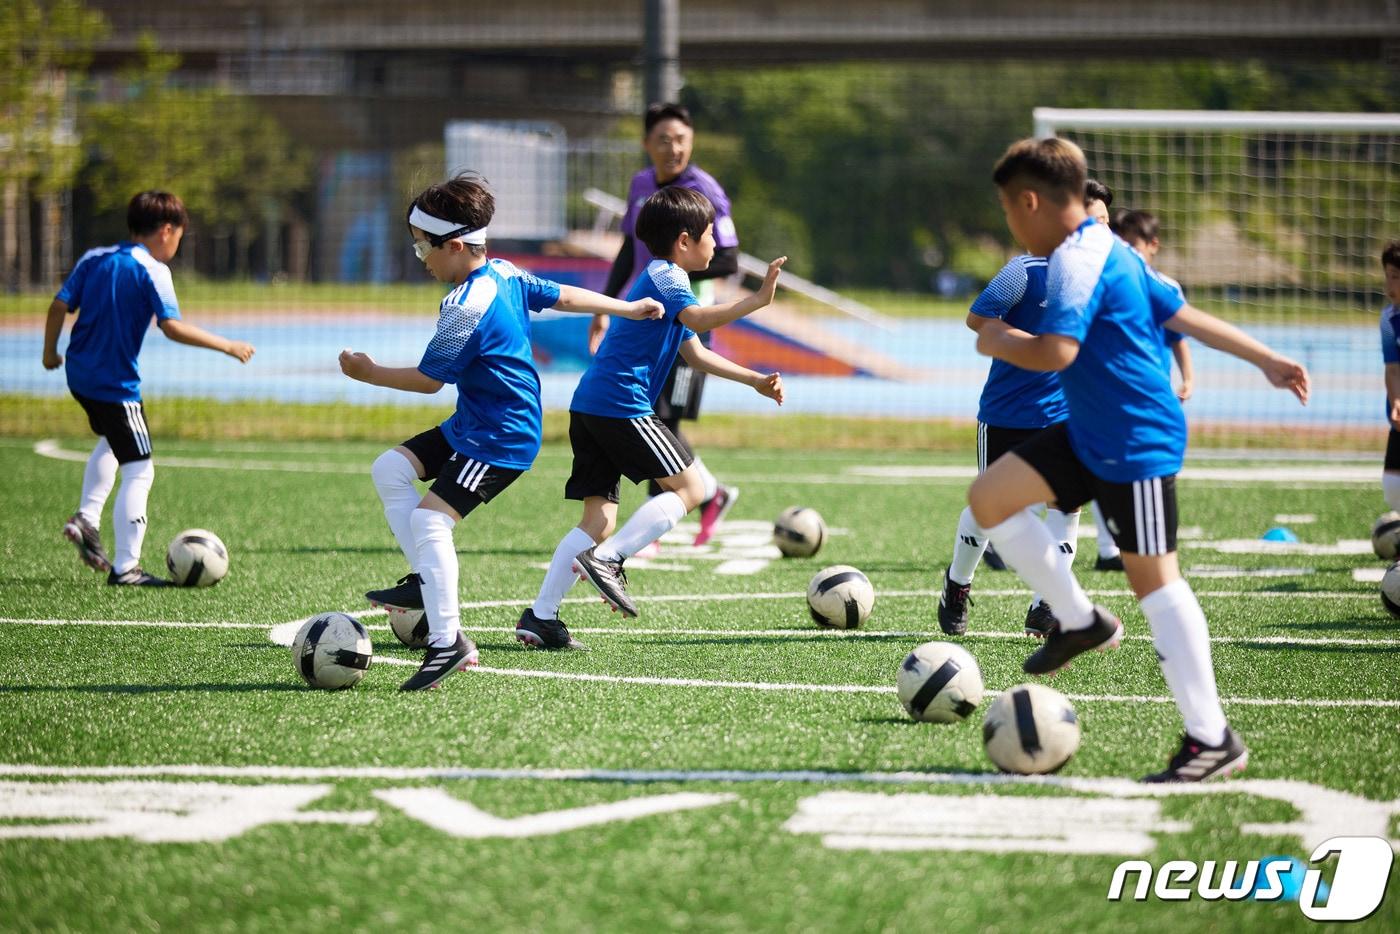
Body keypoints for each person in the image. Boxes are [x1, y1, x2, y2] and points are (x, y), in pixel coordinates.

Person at [967, 137, 1309, 782]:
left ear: (1031, 202)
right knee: (989, 498)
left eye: (1009, 212)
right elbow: (1183, 315)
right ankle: (1078, 618)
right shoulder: (1106, 245)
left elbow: (1057, 352)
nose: (1010, 226)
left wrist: (997, 337)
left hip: (1133, 440)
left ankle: (1212, 740)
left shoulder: (1076, 263)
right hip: (1088, 431)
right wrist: (1265, 357)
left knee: (1157, 586)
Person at [339, 173, 664, 691]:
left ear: (453, 244)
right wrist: (625, 306)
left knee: (430, 523)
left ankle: (448, 643)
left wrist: (368, 372)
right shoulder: (505, 274)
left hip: (499, 435)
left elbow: (428, 381)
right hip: (475, 422)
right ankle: (426, 583)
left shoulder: (465, 305)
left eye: (422, 245)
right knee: (391, 467)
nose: (420, 256)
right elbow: (564, 297)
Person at [518, 186, 785, 650]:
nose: (716, 246)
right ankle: (611, 560)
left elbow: (696, 353)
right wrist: (757, 300)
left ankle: (541, 617)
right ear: (684, 240)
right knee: (692, 488)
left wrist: (754, 380)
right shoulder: (667, 275)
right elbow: (700, 320)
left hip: (591, 406)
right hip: (621, 406)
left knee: (596, 522)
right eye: (709, 236)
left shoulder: (664, 279)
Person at [43, 191, 255, 586]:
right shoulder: (153, 269)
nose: (177, 244)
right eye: (180, 236)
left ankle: (87, 517)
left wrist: (48, 352)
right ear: (168, 230)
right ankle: (127, 568)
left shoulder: (95, 258)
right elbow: (171, 326)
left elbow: (58, 306)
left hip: (79, 375)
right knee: (140, 470)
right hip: (115, 384)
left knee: (112, 440)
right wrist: (227, 345)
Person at [593, 102, 743, 548]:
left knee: (662, 419)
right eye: (662, 139)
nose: (672, 147)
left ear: (691, 142)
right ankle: (707, 495)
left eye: (680, 138)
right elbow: (626, 249)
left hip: (687, 325)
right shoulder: (641, 184)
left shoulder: (706, 191)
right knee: (648, 416)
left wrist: (669, 283)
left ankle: (659, 521)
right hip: (642, 324)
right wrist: (605, 304)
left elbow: (730, 258)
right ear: (646, 144)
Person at [937, 248, 1074, 639]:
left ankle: (1045, 604)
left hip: (1065, 414)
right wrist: (1036, 346)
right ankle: (957, 585)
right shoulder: (1024, 272)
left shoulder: (1104, 273)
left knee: (1066, 505)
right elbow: (977, 318)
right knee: (991, 509)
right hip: (1006, 414)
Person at [1379, 241, 1400, 511]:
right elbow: (1392, 368)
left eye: (1395, 277)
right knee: (1392, 485)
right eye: (1387, 275)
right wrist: (1396, 401)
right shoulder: (1388, 319)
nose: (1388, 284)